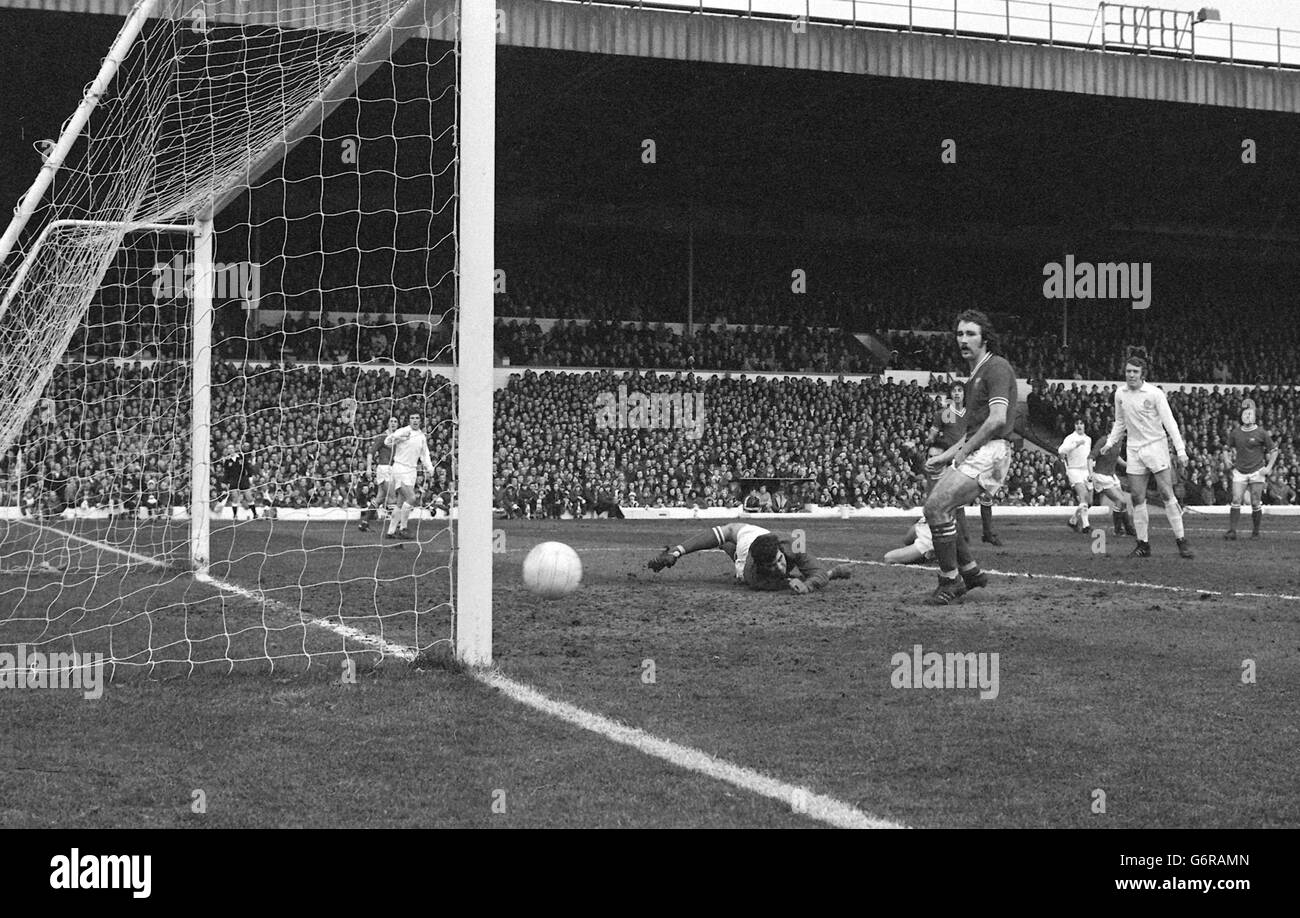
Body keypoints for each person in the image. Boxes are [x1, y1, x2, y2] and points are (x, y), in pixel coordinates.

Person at [920, 310, 1017, 605]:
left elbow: (997, 420)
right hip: (980, 449)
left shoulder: (995, 367)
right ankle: (971, 571)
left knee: (936, 507)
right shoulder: (974, 375)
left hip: (992, 449)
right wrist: (947, 455)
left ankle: (951, 580)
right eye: (960, 334)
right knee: (941, 509)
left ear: (985, 338)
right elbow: (971, 430)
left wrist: (962, 452)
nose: (963, 340)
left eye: (970, 334)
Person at [1099, 353, 1193, 558]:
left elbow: (1170, 423)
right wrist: (1109, 443)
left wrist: (1181, 450)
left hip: (1156, 446)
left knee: (1167, 493)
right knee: (1136, 497)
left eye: (1135, 372)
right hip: (1134, 449)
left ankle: (1181, 540)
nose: (1130, 375)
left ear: (1143, 374)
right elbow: (1119, 422)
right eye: (1128, 371)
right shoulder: (1120, 394)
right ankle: (1143, 544)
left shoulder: (1154, 394)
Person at [647, 522, 852, 593]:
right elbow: (782, 581)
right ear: (761, 566)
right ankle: (677, 552)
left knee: (727, 534)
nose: (781, 568)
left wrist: (809, 585)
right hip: (744, 555)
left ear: (781, 549)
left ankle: (676, 552)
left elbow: (815, 572)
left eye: (780, 561)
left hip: (753, 534)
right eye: (773, 566)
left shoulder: (793, 545)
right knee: (728, 547)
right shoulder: (753, 574)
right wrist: (830, 574)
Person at [1223, 399, 1278, 540]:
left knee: (1255, 501)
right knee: (1236, 499)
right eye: (1245, 413)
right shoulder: (1235, 433)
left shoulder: (1261, 432)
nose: (1247, 416)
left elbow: (1274, 450)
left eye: (1250, 413)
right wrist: (1226, 459)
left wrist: (1268, 467)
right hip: (1239, 471)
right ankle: (1232, 531)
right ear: (1242, 415)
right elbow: (1225, 448)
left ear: (1254, 415)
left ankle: (1256, 532)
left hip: (1257, 472)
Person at [383, 412, 436, 539]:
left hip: (412, 471)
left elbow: (424, 454)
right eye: (412, 418)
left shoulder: (422, 436)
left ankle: (390, 532)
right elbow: (387, 441)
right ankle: (403, 528)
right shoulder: (403, 431)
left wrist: (429, 467)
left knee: (401, 502)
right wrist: (399, 439)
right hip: (400, 468)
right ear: (409, 420)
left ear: (420, 421)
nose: (415, 420)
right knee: (411, 498)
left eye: (417, 418)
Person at [1089, 436, 1136, 536]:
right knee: (1120, 501)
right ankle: (1118, 530)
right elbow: (1090, 457)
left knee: (1123, 503)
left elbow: (1116, 456)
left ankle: (1128, 528)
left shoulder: (1118, 441)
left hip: (1111, 475)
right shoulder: (1103, 441)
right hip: (1101, 475)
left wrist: (1127, 464)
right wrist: (1091, 474)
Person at [359, 417, 399, 533]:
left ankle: (364, 523)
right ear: (387, 424)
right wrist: (368, 468)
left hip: (392, 469)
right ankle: (396, 528)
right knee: (392, 498)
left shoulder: (397, 438)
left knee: (380, 498)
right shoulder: (382, 437)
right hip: (384, 468)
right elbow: (371, 452)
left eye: (395, 421)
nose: (393, 423)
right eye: (391, 421)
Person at [1058, 418, 1093, 533]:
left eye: (1081, 423)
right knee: (1082, 495)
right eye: (1077, 423)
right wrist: (1075, 445)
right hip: (1074, 470)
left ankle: (1073, 520)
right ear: (1074, 425)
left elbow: (1087, 456)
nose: (1079, 425)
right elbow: (1061, 450)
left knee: (1089, 501)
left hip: (1086, 471)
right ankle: (1086, 526)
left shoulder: (1088, 439)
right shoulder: (1070, 438)